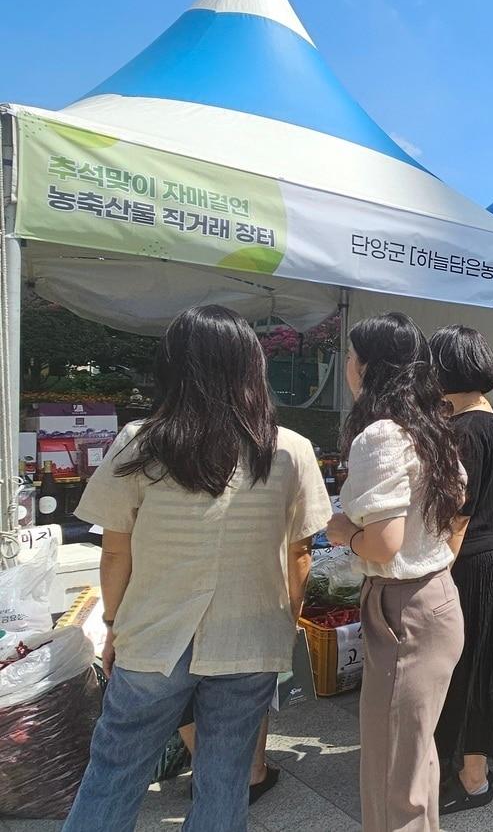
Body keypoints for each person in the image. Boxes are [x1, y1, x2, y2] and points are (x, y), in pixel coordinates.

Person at [64, 306, 331, 832]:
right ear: (252, 366)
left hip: (154, 635)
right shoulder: (289, 449)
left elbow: (116, 551)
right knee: (226, 777)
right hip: (250, 635)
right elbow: (300, 554)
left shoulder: (142, 441)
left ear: (175, 365)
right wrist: (286, 620)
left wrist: (114, 623)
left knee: (116, 770)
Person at [326, 312, 468, 832]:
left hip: (402, 607)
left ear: (369, 366)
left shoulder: (381, 435)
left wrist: (341, 530)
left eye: (351, 354)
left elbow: (383, 545)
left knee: (392, 776)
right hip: (434, 598)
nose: (347, 364)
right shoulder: (431, 427)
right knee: (414, 763)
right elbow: (455, 515)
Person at [429, 325, 493, 813]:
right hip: (489, 556)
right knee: (478, 666)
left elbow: (457, 516)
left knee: (467, 671)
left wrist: (435, 573)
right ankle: (471, 769)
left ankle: (472, 777)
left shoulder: (466, 431)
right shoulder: (487, 419)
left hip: (469, 561)